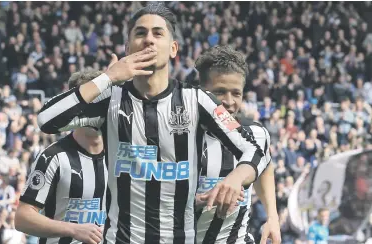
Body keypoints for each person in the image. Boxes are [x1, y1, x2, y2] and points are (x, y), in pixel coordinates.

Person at [37, 3, 269, 244]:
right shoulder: (110, 100)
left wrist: (235, 178)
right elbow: (46, 119)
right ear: (127, 48)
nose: (149, 39)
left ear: (173, 48)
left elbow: (253, 148)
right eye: (140, 33)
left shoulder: (197, 100)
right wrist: (109, 77)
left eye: (158, 33)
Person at [193, 45, 281, 244]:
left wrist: (272, 216)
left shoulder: (255, 133)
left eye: (236, 93)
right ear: (201, 92)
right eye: (220, 92)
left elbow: (265, 164)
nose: (229, 101)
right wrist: (195, 203)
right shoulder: (179, 137)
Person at [15, 70, 108, 244]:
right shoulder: (53, 157)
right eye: (86, 105)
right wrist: (73, 229)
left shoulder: (119, 157)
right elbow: (22, 218)